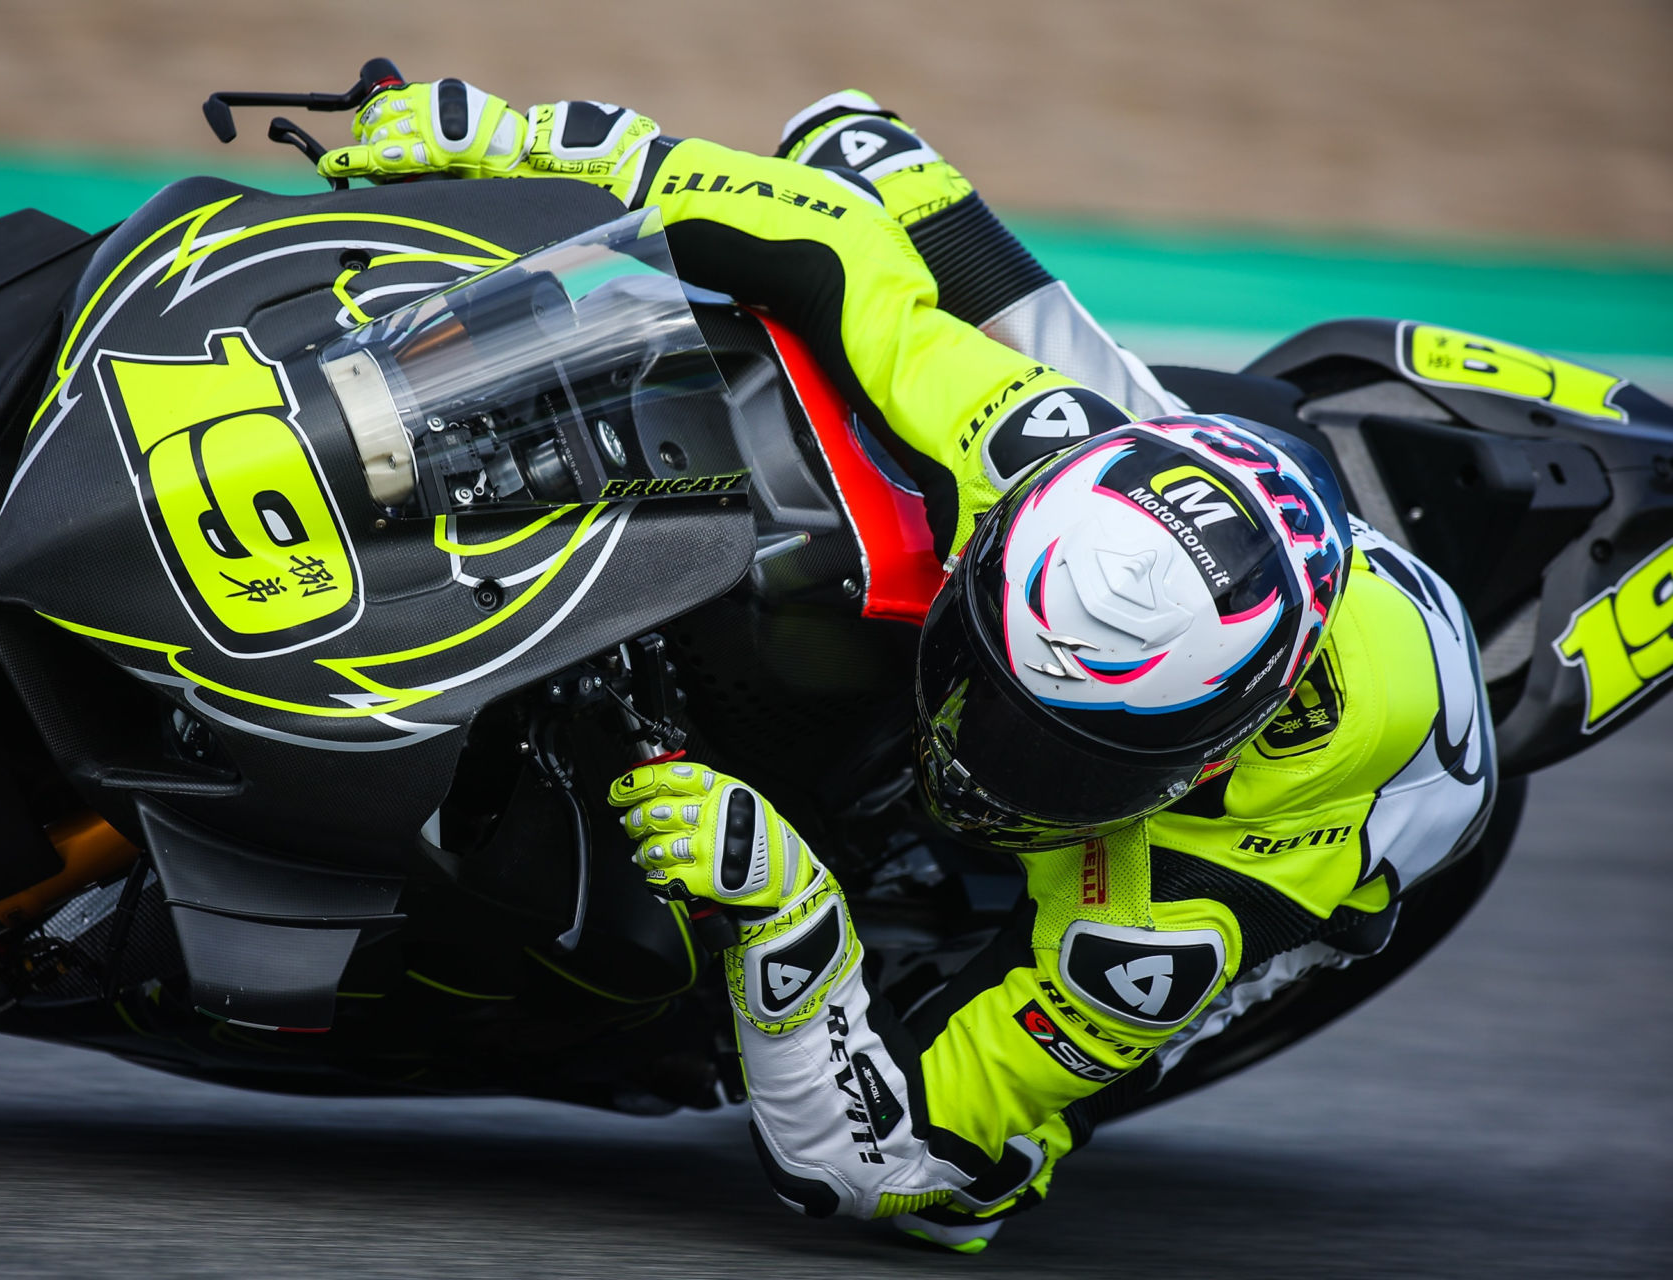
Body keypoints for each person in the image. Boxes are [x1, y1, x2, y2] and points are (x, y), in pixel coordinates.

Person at [319, 80, 1497, 1252]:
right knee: (854, 147)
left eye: (1057, 753)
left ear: (1203, 760)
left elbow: (899, 1173)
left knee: (1032, 1130)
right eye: (985, 676)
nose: (975, 752)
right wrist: (537, 137)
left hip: (1362, 808)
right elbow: (833, 243)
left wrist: (793, 921)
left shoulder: (1187, 908)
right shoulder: (1040, 447)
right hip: (1184, 491)